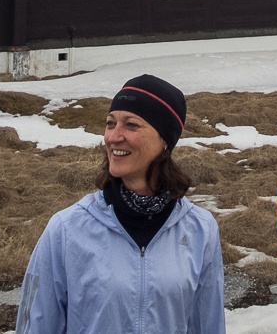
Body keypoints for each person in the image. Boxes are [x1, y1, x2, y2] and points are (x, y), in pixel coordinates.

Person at [16, 74, 225, 334]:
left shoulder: (200, 229)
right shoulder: (66, 229)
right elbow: (35, 326)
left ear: (164, 141)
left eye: (131, 125)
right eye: (110, 123)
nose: (114, 137)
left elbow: (208, 325)